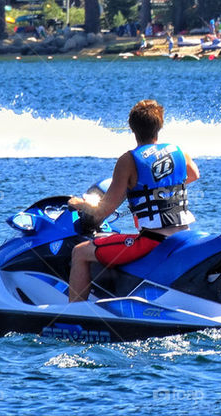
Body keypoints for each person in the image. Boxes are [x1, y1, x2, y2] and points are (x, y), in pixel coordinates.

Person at [67, 100, 200, 302]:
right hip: (184, 235)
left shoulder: (129, 160)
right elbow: (193, 175)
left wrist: (78, 203)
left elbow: (103, 210)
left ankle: (73, 316)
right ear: (160, 126)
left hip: (152, 241)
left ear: (132, 128)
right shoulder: (178, 151)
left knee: (79, 252)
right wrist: (159, 189)